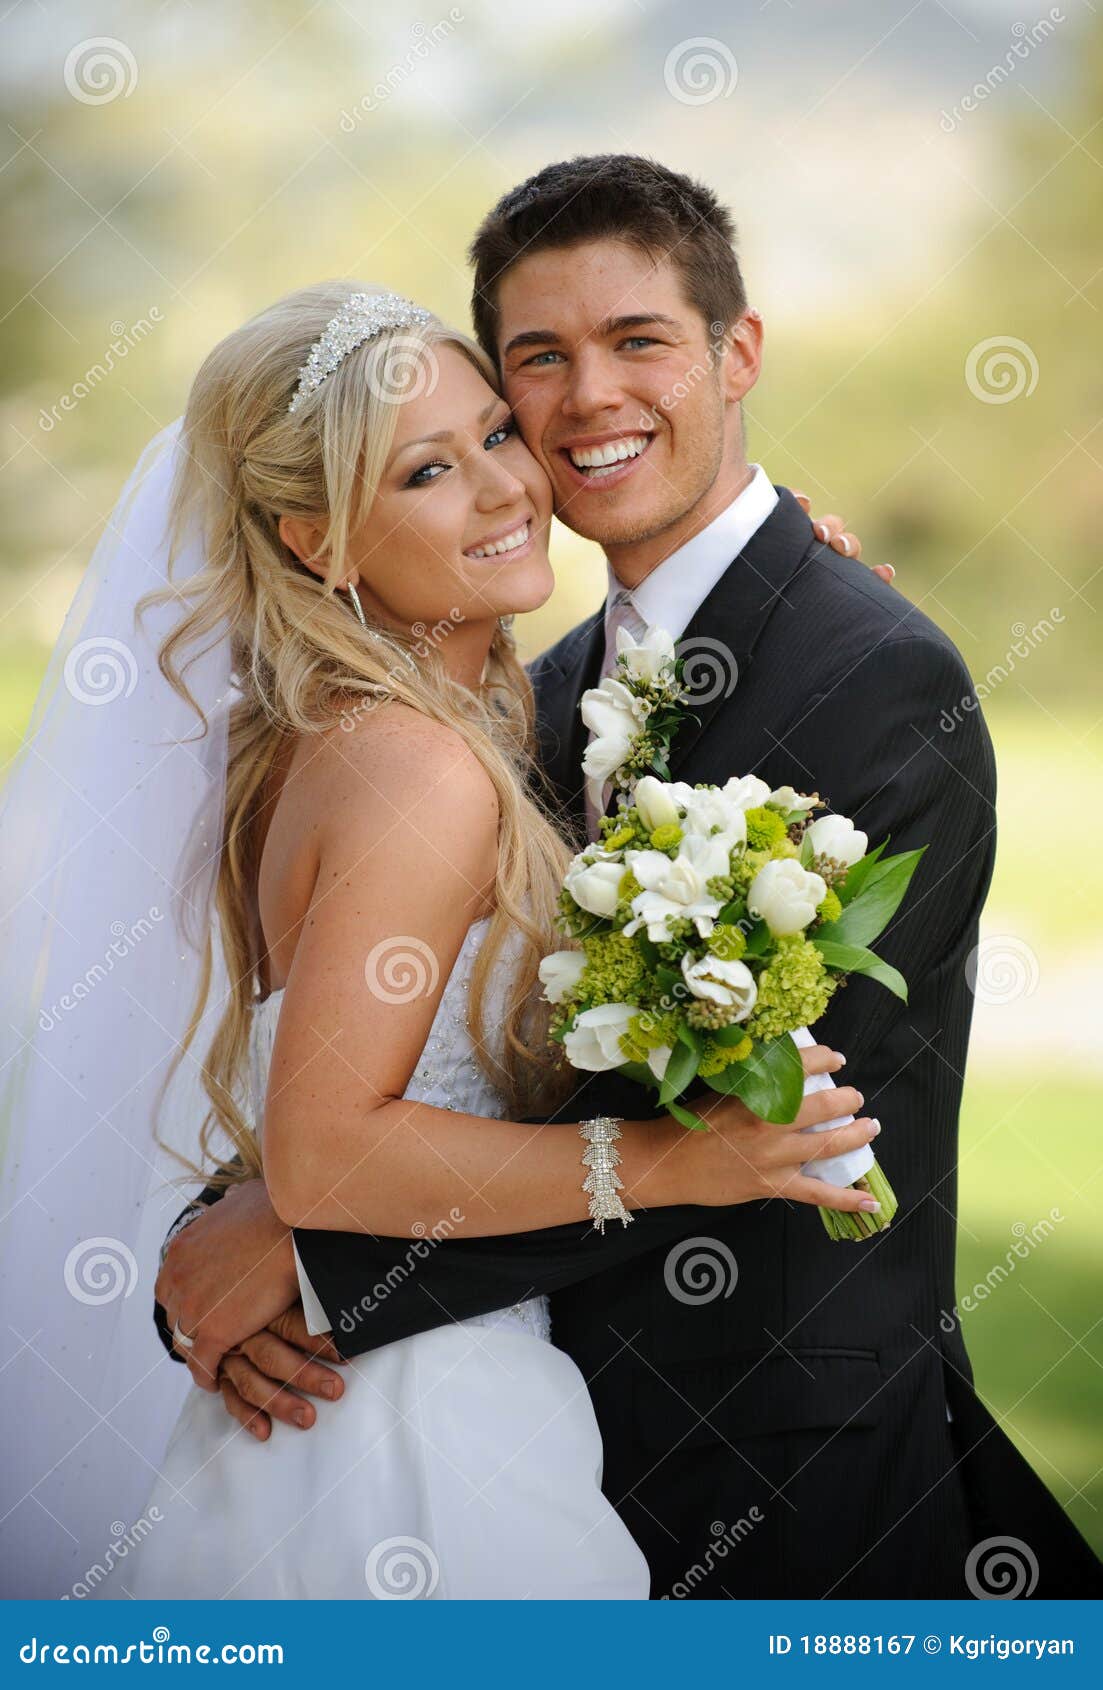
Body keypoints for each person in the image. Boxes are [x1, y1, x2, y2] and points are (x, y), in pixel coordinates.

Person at [155, 158, 1103, 1601]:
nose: (589, 396)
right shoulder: (515, 707)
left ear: (739, 356)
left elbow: (760, 1120)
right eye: (539, 359)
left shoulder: (872, 675)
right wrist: (258, 1221)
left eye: (640, 341)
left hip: (777, 1464)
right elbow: (406, 1050)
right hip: (514, 1439)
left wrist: (300, 1256)